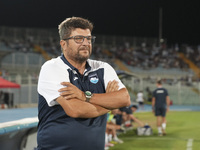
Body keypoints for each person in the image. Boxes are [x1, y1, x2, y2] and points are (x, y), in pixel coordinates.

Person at [37, 17, 131, 150]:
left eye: (88, 39)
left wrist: (84, 96)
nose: (86, 43)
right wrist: (109, 104)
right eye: (79, 39)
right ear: (63, 44)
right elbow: (76, 110)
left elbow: (125, 99)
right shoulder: (53, 68)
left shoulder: (103, 68)